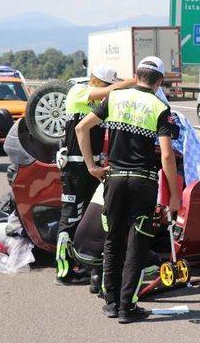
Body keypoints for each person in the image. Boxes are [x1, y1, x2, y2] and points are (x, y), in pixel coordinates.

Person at [76, 58, 180, 323]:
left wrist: (91, 166)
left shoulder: (115, 98)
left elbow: (81, 127)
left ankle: (110, 303)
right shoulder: (160, 108)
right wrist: (175, 196)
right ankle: (127, 307)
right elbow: (167, 156)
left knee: (113, 241)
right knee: (137, 243)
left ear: (136, 76)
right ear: (158, 83)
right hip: (143, 183)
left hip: (114, 179)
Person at [55, 65, 134, 284]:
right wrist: (132, 82)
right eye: (108, 84)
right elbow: (83, 128)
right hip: (76, 166)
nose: (111, 89)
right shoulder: (78, 90)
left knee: (89, 218)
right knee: (70, 216)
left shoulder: (101, 102)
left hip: (94, 167)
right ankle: (63, 272)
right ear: (98, 82)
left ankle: (84, 265)